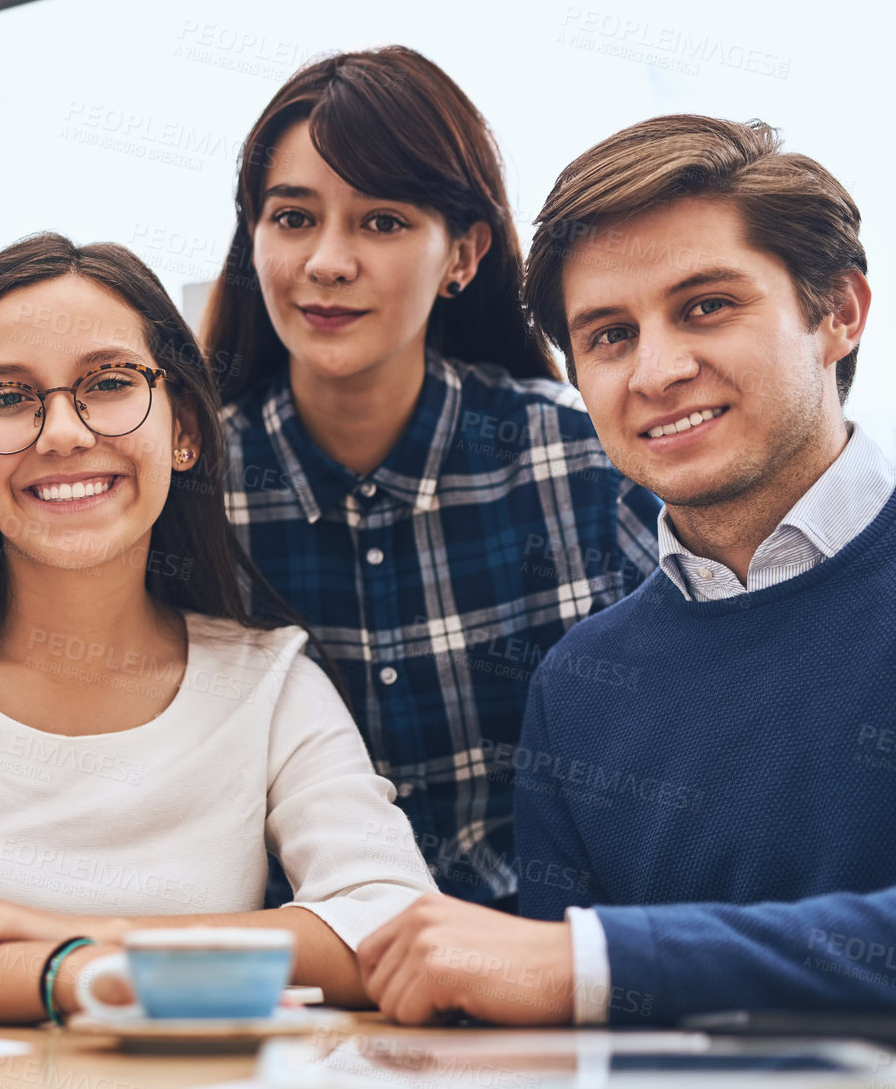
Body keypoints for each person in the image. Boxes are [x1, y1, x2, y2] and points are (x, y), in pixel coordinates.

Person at [0, 234, 436, 1026]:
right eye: (8, 397)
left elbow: (396, 930)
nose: (62, 432)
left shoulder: (267, 679)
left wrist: (80, 937)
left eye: (107, 383)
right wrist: (74, 975)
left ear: (184, 430)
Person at [355, 115, 896, 1026]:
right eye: (608, 335)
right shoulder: (580, 690)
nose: (658, 370)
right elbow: (565, 1031)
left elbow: (575, 970)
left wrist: (602, 960)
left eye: (706, 305)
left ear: (838, 312)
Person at [204, 47, 661, 908]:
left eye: (380, 222)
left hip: (546, 981)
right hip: (294, 989)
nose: (327, 262)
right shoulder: (191, 491)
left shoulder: (578, 460)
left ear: (463, 254)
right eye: (292, 218)